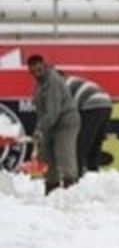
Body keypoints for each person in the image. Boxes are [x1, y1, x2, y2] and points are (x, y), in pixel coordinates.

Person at [26, 54, 81, 194]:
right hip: (51, 124)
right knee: (47, 157)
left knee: (65, 156)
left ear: (44, 65)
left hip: (65, 122)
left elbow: (53, 111)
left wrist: (40, 129)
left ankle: (71, 190)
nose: (36, 72)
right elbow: (42, 111)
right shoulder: (39, 84)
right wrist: (41, 130)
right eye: (33, 70)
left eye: (39, 68)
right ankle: (51, 188)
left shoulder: (52, 82)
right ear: (29, 70)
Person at [64, 73, 113, 177]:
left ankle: (76, 177)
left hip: (91, 104)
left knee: (78, 147)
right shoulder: (72, 81)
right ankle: (93, 176)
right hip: (106, 103)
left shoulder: (58, 87)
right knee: (94, 146)